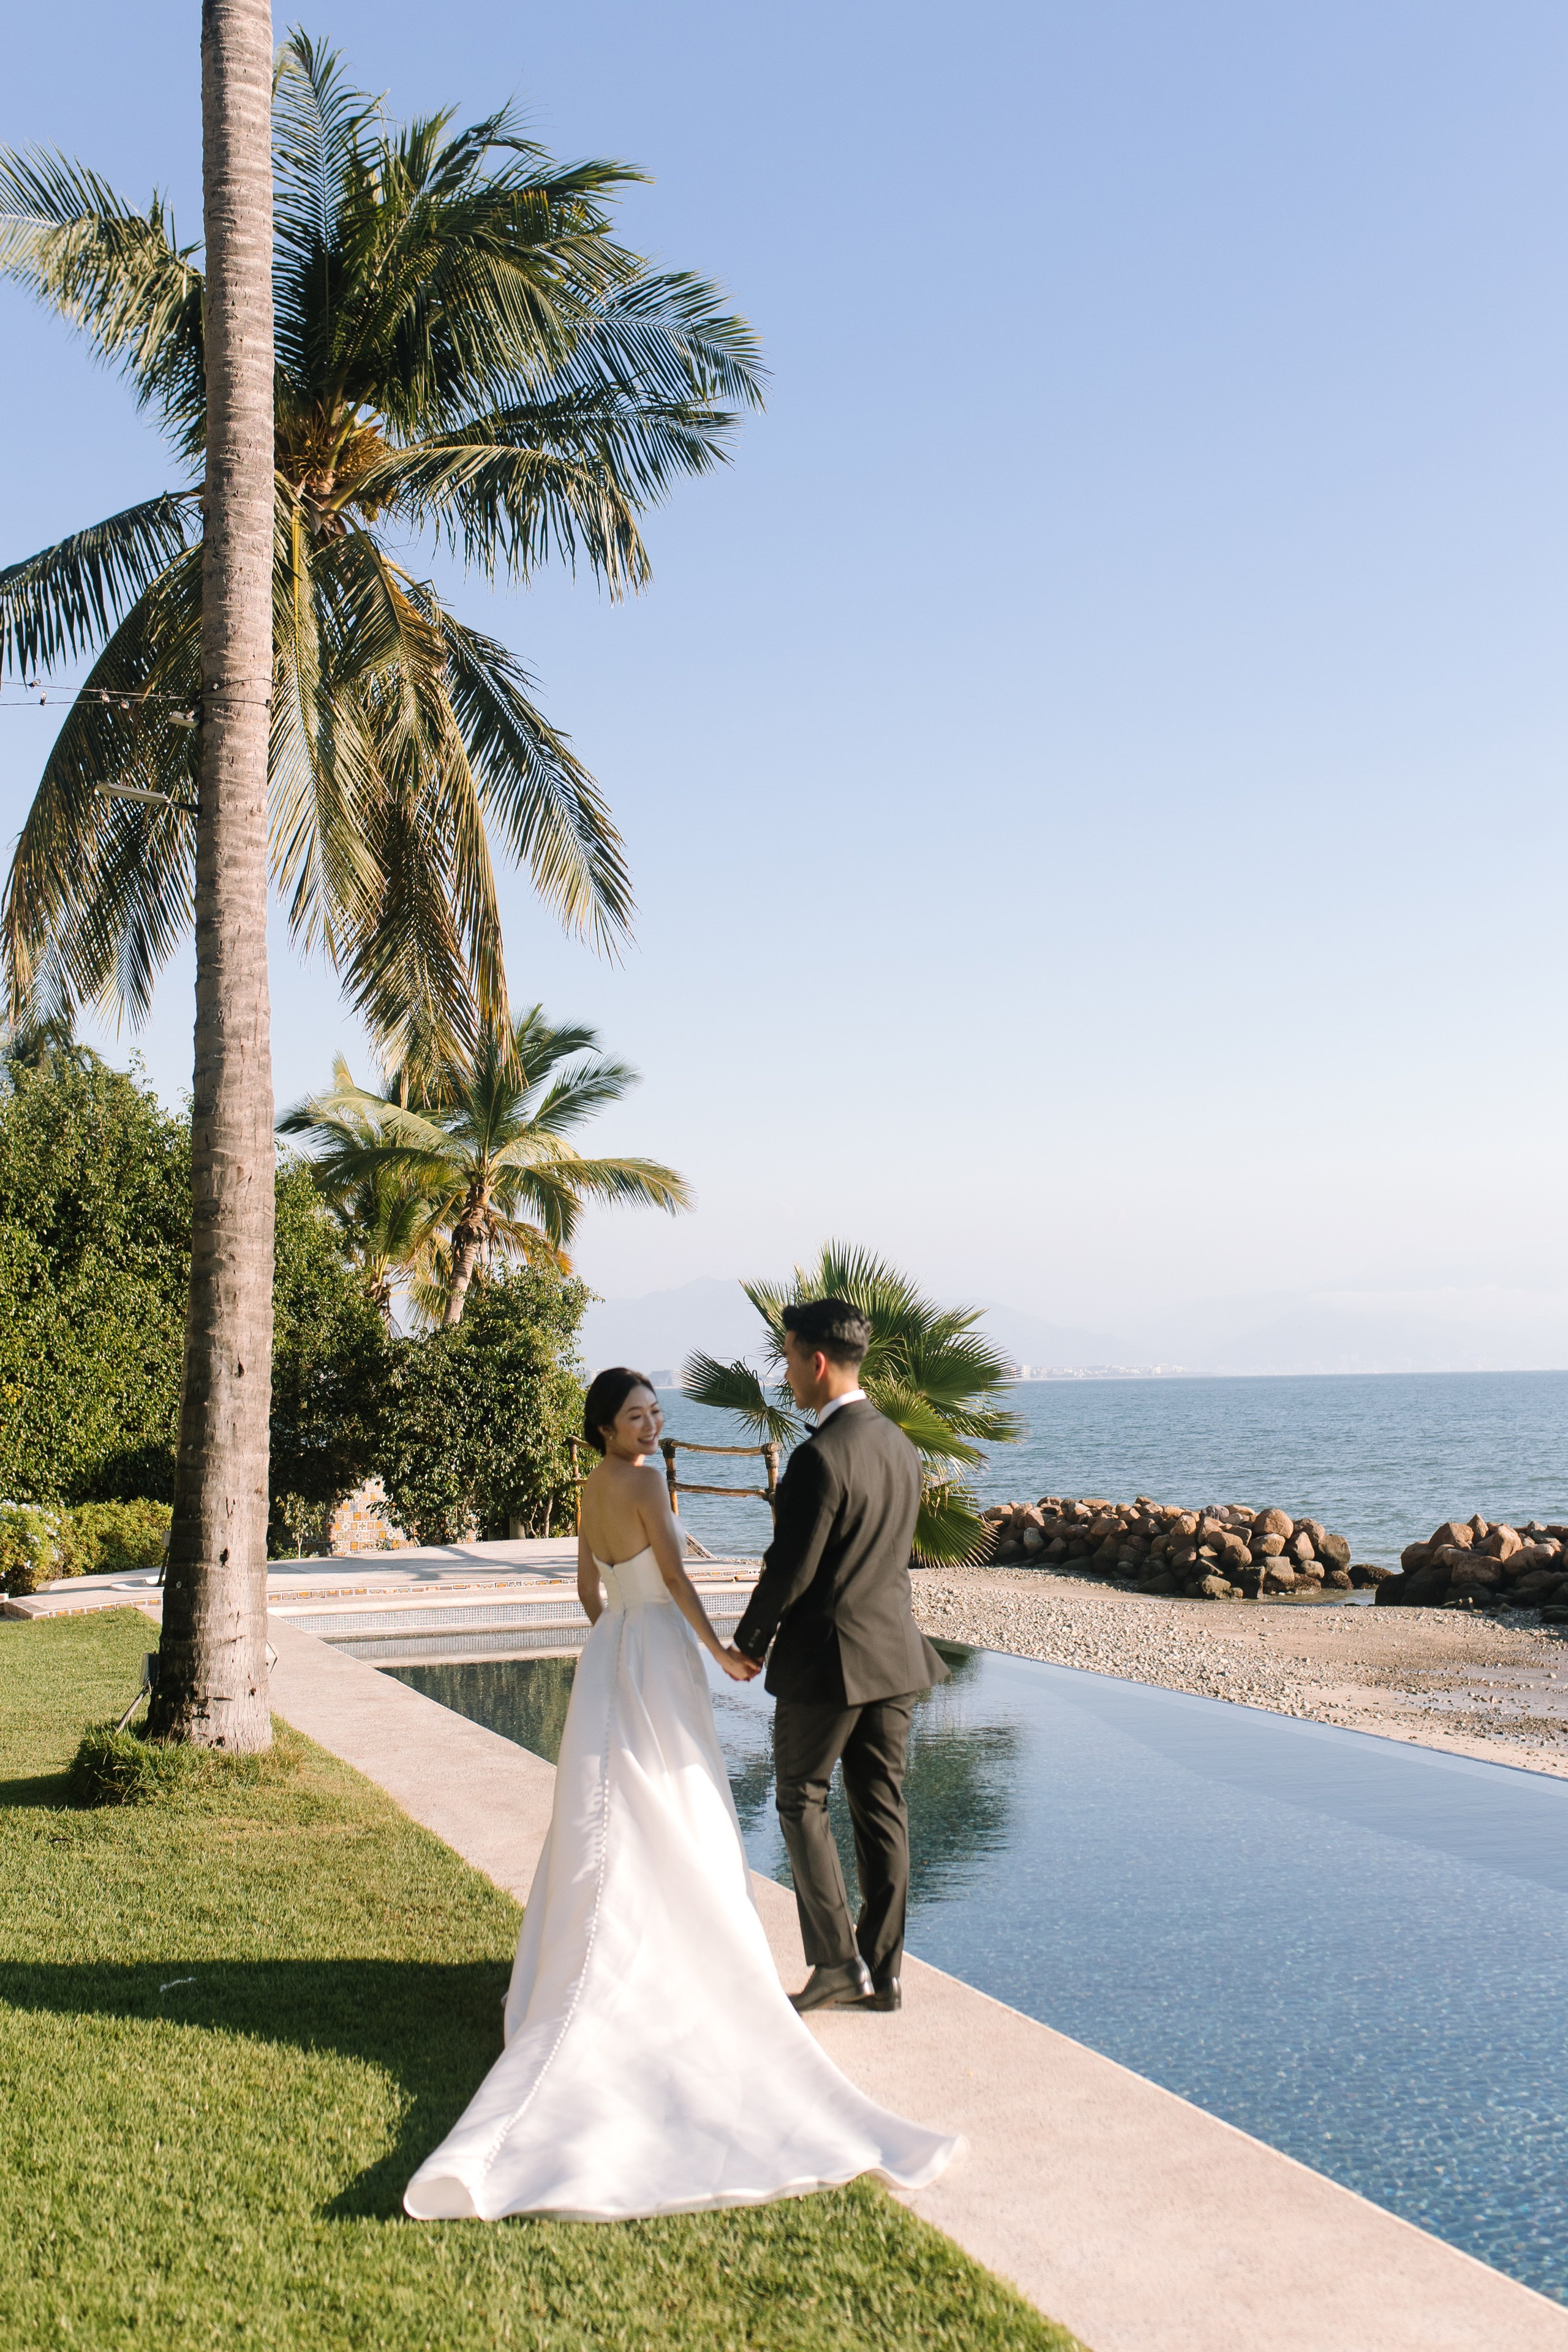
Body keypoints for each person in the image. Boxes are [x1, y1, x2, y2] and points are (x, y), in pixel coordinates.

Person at [403, 1365, 957, 2222]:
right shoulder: (652, 1482)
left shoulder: (587, 1488)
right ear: (606, 1427)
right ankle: (852, 1966)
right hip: (662, 1647)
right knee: (676, 1794)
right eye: (636, 1416)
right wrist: (721, 1651)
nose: (652, 1425)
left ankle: (607, 1956)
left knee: (605, 1804)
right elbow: (677, 1577)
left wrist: (621, 1640)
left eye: (656, 1413)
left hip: (613, 1657)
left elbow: (591, 1592)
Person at [733, 1299, 949, 2015]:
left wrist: (748, 1642)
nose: (787, 1373)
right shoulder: (897, 1444)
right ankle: (884, 1973)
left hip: (830, 1662)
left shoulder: (818, 1456)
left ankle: (835, 1962)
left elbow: (790, 1568)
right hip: (896, 1656)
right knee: (881, 1810)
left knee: (800, 1797)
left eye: (790, 1358)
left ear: (816, 1362)